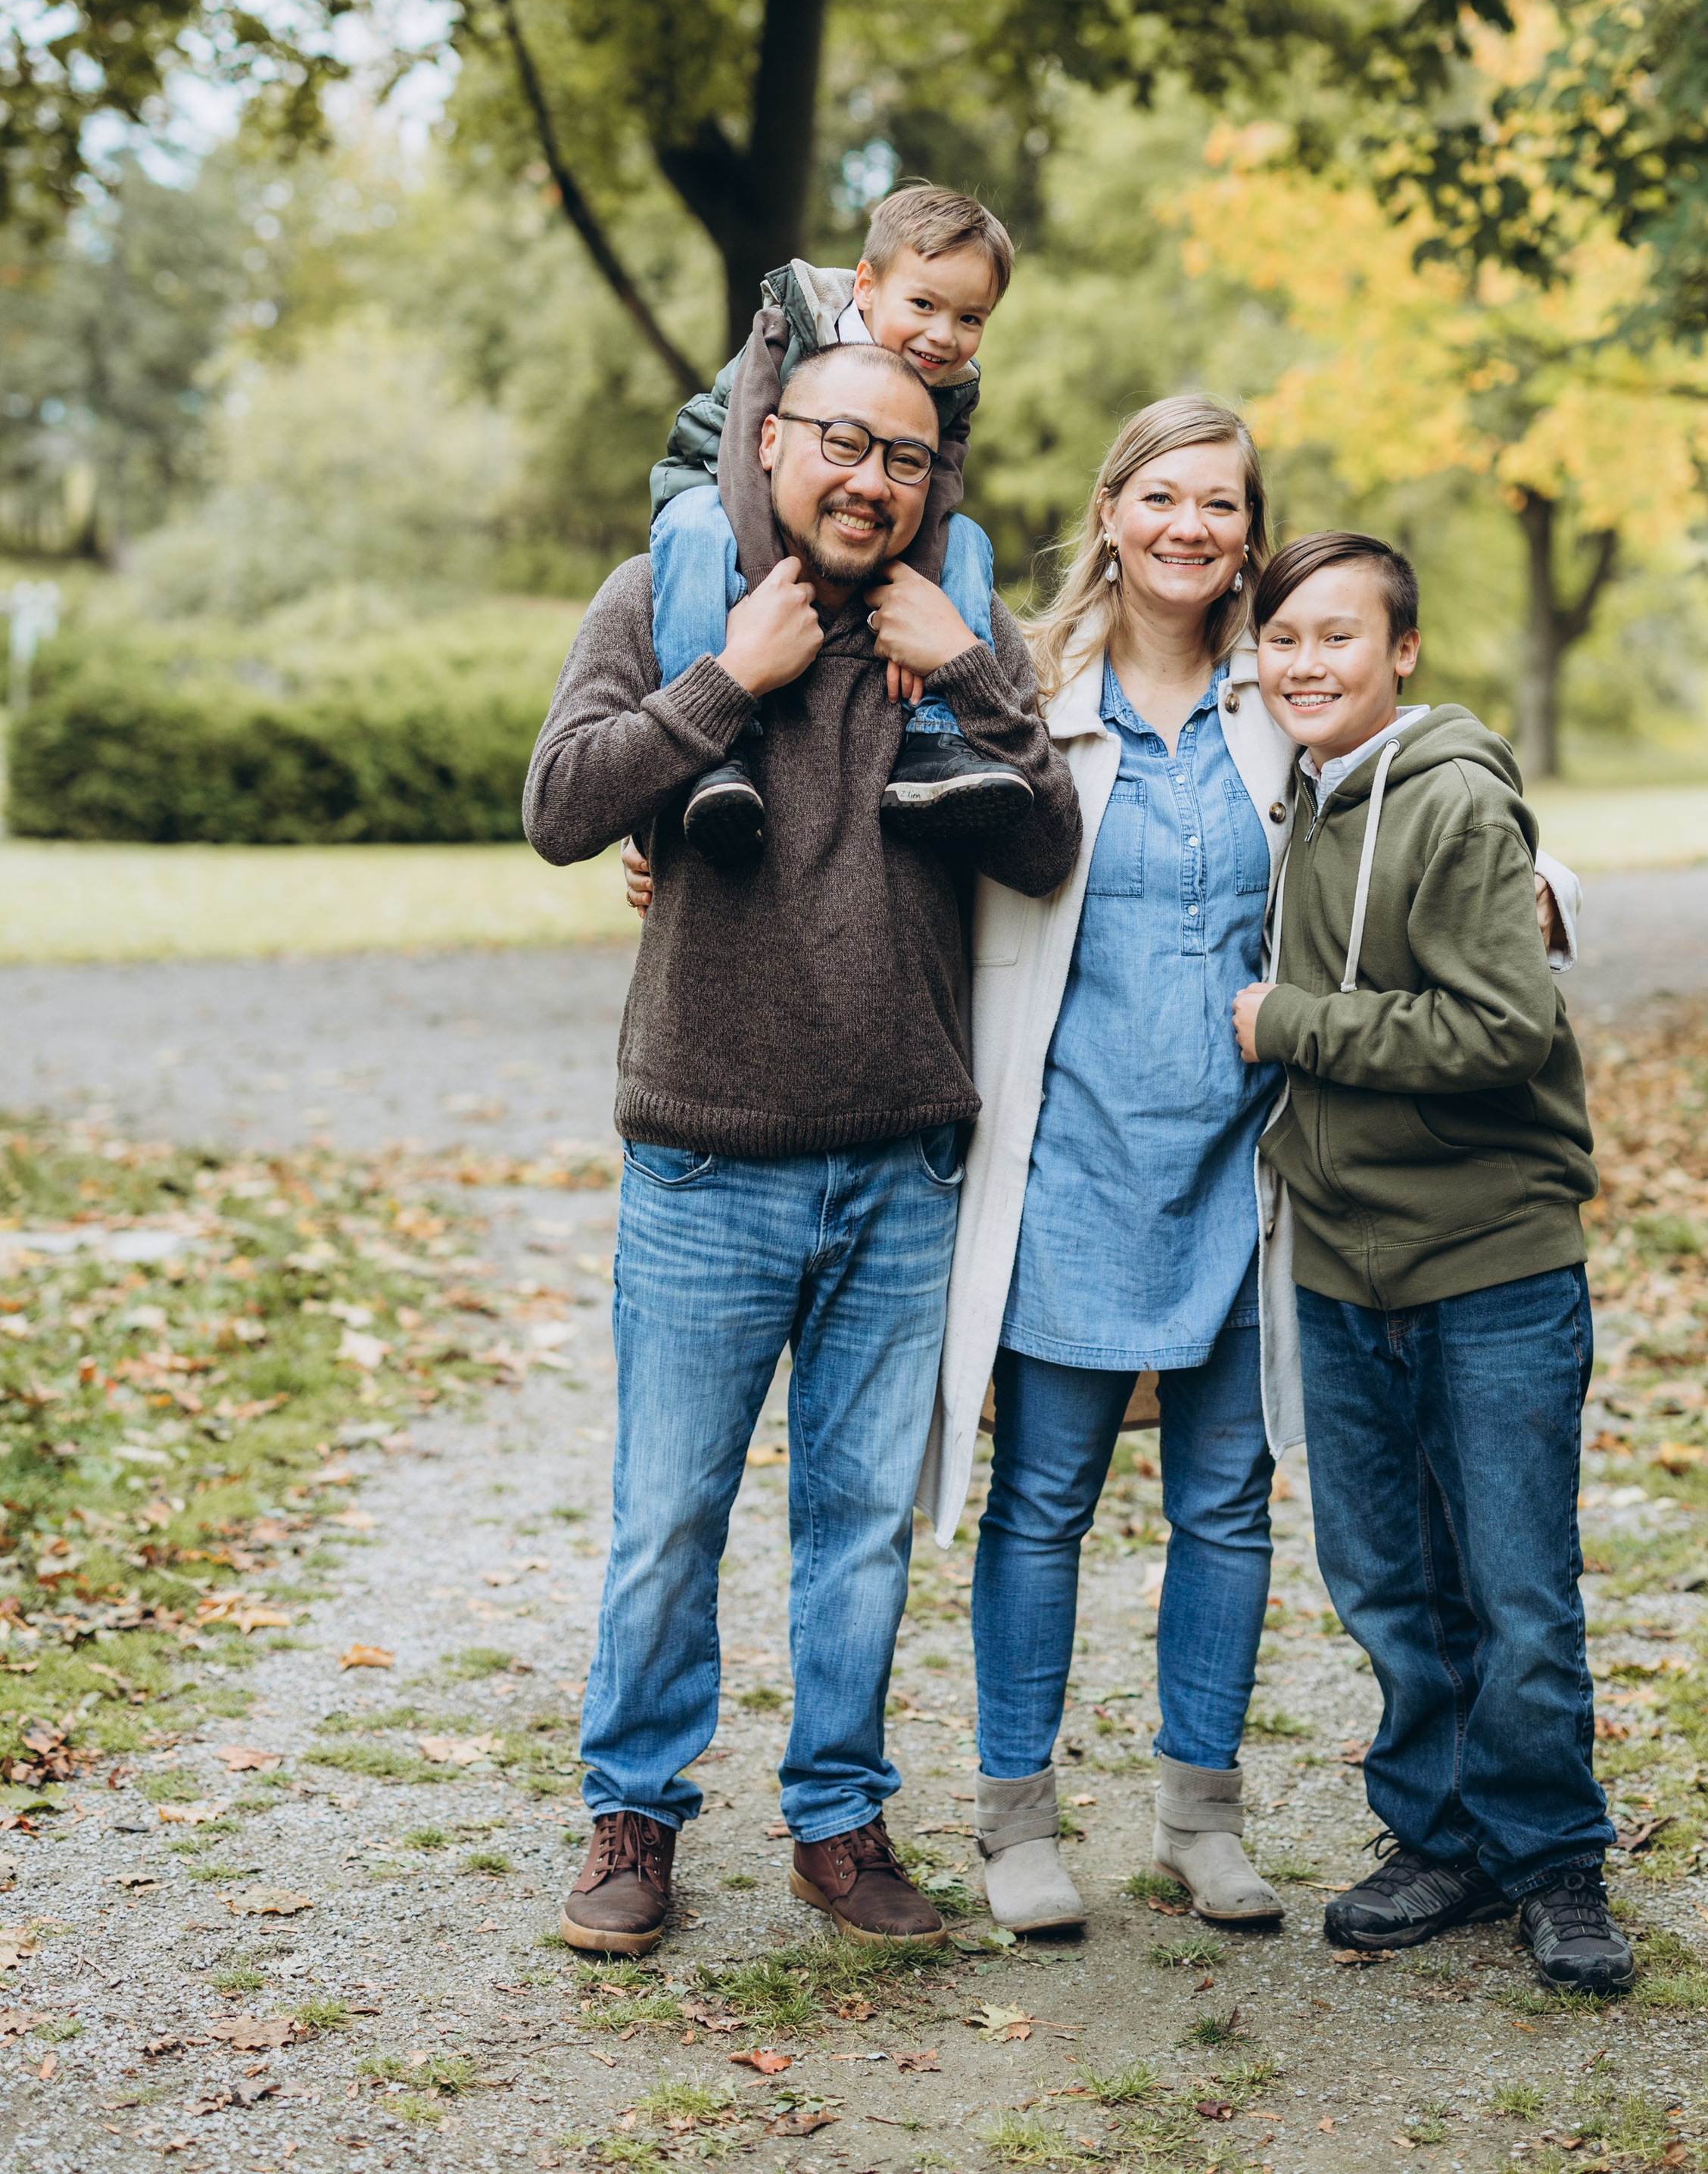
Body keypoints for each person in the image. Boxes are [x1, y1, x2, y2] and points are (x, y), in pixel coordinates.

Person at [914, 405, 1582, 1938]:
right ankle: (1014, 1817)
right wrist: (673, 850)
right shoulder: (1020, 691)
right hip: (1069, 1156)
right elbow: (887, 832)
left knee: (1227, 1501)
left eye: (1218, 502)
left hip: (1245, 1164)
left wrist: (1550, 890)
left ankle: (1197, 1816)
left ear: (1249, 526)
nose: (1187, 527)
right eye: (1159, 495)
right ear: (1109, 510)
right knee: (1042, 1503)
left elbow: (1440, 799)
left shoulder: (1275, 693)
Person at [524, 338, 1080, 1957]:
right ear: (771, 443)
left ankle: (838, 1822)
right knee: (666, 1515)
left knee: (854, 1526)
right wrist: (724, 684)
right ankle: (631, 1821)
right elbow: (560, 804)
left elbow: (1047, 846)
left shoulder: (953, 626)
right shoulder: (668, 595)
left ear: (935, 482)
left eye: (905, 460)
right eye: (843, 444)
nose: (871, 482)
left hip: (902, 1161)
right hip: (706, 1156)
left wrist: (969, 672)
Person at [1231, 529, 1629, 1996]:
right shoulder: (1290, 792)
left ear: (1400, 651)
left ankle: (1552, 1859)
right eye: (1280, 638)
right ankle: (1440, 1833)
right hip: (1342, 1261)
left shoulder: (1449, 800)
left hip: (1488, 1257)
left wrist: (1285, 1026)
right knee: (1389, 1577)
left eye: (1337, 637)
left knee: (1516, 1583)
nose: (1304, 663)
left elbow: (1498, 1031)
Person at [647, 185, 1028, 864]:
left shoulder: (951, 384)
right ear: (867, 285)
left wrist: (917, 599)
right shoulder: (792, 327)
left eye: (972, 318)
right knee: (695, 525)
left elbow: (936, 491)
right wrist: (771, 588)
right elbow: (743, 453)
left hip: (846, 540)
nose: (944, 336)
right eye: (924, 305)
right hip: (719, 482)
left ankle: (938, 738)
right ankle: (713, 753)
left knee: (968, 539)